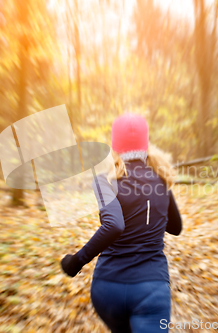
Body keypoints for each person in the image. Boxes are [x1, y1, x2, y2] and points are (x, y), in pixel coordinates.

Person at [60, 114, 183, 333]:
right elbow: (175, 227)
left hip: (108, 289)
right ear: (146, 145)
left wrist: (75, 262)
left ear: (114, 147)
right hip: (151, 288)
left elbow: (114, 224)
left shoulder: (105, 180)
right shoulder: (161, 179)